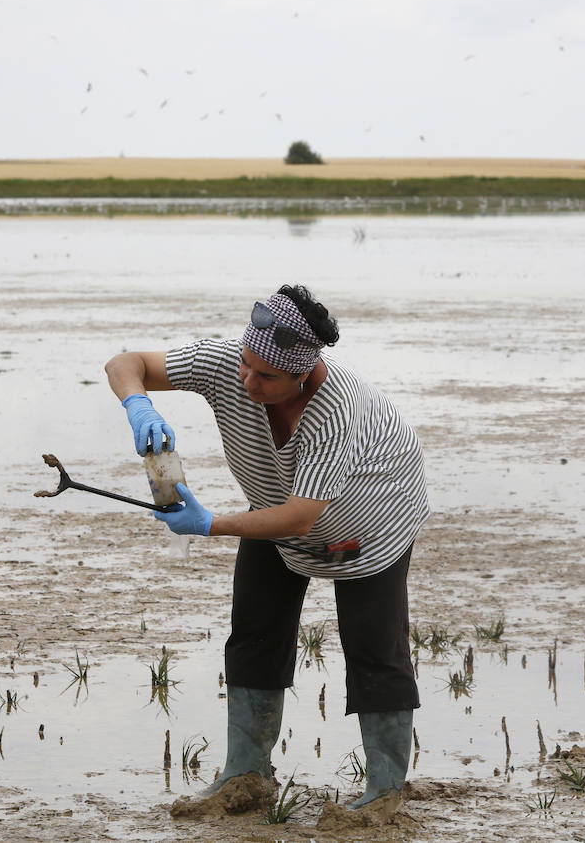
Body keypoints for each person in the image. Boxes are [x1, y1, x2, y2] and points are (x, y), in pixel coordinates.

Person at [104, 284, 429, 822]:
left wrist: (210, 524)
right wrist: (138, 404)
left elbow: (303, 516)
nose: (248, 382)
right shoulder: (228, 363)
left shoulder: (334, 408)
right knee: (254, 630)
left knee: (374, 645)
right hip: (274, 504)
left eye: (267, 377)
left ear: (303, 373)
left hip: (371, 516)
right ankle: (247, 773)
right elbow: (126, 363)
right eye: (247, 366)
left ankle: (386, 790)